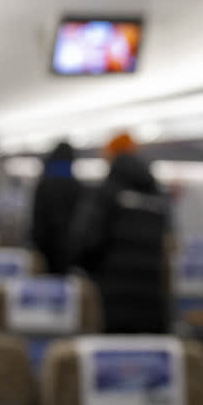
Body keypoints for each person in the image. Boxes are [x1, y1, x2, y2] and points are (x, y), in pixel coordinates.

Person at [65, 132, 168, 333]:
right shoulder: (156, 195)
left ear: (110, 156)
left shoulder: (104, 193)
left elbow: (85, 244)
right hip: (151, 300)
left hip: (109, 298)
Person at [29, 141, 81, 275]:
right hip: (68, 248)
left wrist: (35, 242)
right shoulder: (76, 185)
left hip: (45, 246)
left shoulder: (44, 184)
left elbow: (37, 216)